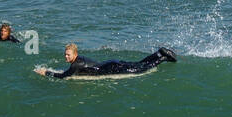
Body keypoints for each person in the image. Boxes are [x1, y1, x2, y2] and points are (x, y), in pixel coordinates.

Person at [36, 42, 177, 78]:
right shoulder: (80, 59)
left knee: (141, 69)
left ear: (75, 54)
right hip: (111, 63)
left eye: (68, 55)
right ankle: (159, 53)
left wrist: (46, 72)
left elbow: (63, 76)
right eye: (65, 54)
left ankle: (163, 58)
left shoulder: (75, 65)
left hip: (111, 68)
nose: (66, 57)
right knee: (139, 64)